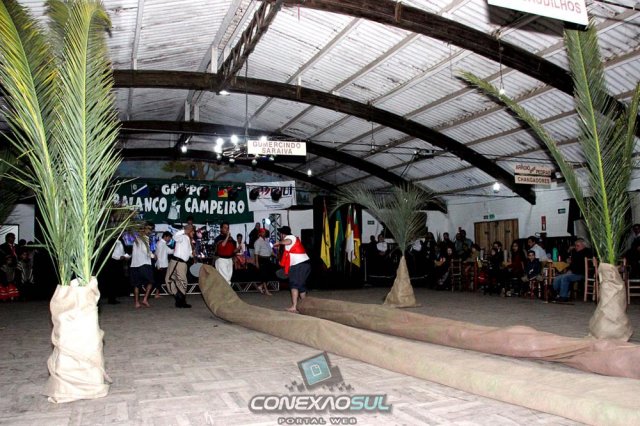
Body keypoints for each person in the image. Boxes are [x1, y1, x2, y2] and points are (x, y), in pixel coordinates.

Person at [274, 226, 310, 313]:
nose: (280, 235)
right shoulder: (293, 241)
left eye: (280, 233)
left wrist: (279, 242)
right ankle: (305, 306)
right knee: (301, 285)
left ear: (283, 234)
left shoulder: (290, 237)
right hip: (305, 264)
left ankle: (294, 307)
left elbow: (288, 241)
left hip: (298, 265)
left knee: (294, 285)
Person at [552, 238, 592, 302]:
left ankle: (563, 296)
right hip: (573, 272)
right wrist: (569, 250)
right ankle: (556, 294)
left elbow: (580, 265)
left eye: (578, 246)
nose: (576, 247)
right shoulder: (575, 252)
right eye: (575, 245)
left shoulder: (587, 252)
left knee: (565, 277)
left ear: (583, 245)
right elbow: (568, 260)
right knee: (557, 278)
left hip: (581, 273)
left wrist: (571, 270)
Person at [166, 224, 195, 308]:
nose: (194, 233)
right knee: (171, 279)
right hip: (177, 262)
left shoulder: (188, 240)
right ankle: (179, 299)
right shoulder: (182, 237)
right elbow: (175, 237)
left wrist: (192, 254)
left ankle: (180, 300)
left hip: (182, 263)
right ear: (189, 231)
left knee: (181, 281)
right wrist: (184, 231)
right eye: (192, 231)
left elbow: (189, 253)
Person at [130, 222, 155, 308]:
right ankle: (145, 299)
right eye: (149, 229)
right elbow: (146, 251)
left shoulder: (137, 238)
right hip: (144, 264)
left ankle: (137, 303)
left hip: (134, 264)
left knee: (137, 284)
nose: (150, 231)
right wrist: (153, 256)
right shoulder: (145, 238)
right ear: (145, 228)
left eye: (151, 229)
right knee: (151, 282)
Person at [153, 231, 173, 298]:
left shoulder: (163, 243)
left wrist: (178, 249)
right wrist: (159, 265)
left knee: (160, 279)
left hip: (163, 265)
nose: (170, 239)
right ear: (165, 236)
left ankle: (157, 293)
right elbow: (158, 255)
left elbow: (170, 251)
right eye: (169, 237)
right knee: (159, 279)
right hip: (161, 265)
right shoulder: (161, 243)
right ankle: (157, 294)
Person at [254, 228, 273, 295]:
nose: (264, 233)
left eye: (265, 232)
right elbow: (256, 253)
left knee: (269, 274)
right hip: (262, 259)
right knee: (264, 275)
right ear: (260, 233)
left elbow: (270, 250)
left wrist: (276, 255)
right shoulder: (258, 242)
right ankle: (266, 290)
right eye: (263, 232)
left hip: (268, 259)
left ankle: (260, 286)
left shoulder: (267, 240)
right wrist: (257, 262)